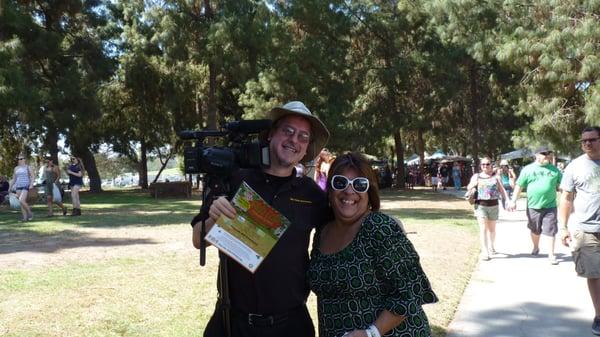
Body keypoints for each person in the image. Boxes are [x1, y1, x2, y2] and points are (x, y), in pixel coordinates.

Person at [191, 101, 330, 337]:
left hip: (292, 324)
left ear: (306, 149)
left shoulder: (312, 194)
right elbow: (198, 240)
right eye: (287, 130)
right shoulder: (234, 180)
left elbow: (340, 230)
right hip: (234, 323)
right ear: (270, 135)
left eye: (303, 136)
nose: (294, 140)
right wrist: (214, 218)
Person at [308, 152, 438, 337]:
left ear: (370, 192)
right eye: (340, 183)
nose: (349, 191)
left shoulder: (380, 228)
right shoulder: (322, 231)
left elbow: (411, 290)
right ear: (329, 189)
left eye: (359, 184)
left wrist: (372, 332)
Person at [558, 126, 600, 335]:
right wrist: (563, 227)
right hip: (587, 229)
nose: (587, 144)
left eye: (592, 140)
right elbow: (566, 198)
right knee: (594, 274)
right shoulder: (574, 166)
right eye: (584, 141)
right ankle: (599, 315)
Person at [508, 146, 562, 264]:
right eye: (544, 154)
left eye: (548, 153)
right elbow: (519, 186)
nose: (547, 155)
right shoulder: (528, 170)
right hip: (533, 206)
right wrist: (513, 201)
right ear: (536, 156)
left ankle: (551, 254)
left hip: (550, 206)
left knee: (551, 230)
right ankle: (536, 247)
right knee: (535, 230)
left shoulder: (554, 170)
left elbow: (563, 186)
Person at [467, 157, 509, 261]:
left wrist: (508, 200)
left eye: (487, 164)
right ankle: (485, 251)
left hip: (494, 205)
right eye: (483, 164)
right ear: (480, 166)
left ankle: (491, 246)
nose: (485, 166)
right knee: (483, 229)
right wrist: (473, 184)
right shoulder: (476, 176)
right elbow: (469, 187)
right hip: (480, 205)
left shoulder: (496, 177)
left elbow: (502, 190)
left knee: (492, 230)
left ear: (491, 165)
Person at [8, 155, 35, 221]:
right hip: (18, 186)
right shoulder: (16, 168)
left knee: (21, 200)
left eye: (21, 159)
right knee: (21, 203)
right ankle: (25, 218)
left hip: (26, 185)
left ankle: (30, 213)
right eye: (18, 159)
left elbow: (33, 176)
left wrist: (31, 184)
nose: (19, 160)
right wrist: (10, 187)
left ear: (24, 159)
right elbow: (14, 179)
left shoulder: (28, 167)